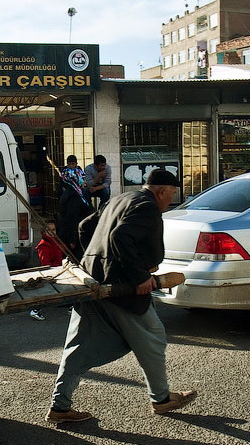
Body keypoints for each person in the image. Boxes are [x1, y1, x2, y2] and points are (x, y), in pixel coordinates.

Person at [46, 169, 197, 424]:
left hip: (94, 282)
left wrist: (93, 261)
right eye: (170, 195)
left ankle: (60, 406)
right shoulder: (148, 207)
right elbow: (120, 237)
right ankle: (161, 399)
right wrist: (139, 277)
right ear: (161, 191)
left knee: (76, 348)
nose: (170, 201)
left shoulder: (118, 198)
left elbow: (85, 227)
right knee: (152, 338)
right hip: (122, 287)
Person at [56, 168, 93, 256]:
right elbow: (72, 219)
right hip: (73, 238)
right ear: (75, 179)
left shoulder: (76, 193)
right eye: (82, 177)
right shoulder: (73, 196)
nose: (84, 181)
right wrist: (73, 239)